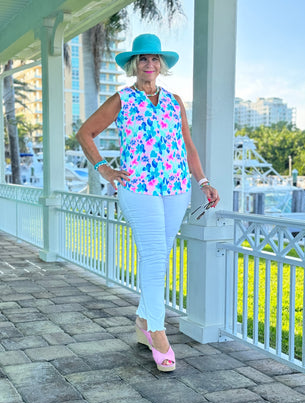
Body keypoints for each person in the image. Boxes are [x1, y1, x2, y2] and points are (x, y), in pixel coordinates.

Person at [76, 33, 220, 372]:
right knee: (155, 256)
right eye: (143, 59)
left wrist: (203, 182)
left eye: (155, 59)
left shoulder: (174, 101)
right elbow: (86, 133)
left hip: (176, 189)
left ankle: (143, 321)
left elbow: (188, 147)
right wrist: (105, 169)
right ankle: (158, 332)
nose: (149, 64)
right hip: (139, 188)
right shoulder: (122, 99)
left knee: (160, 256)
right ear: (134, 65)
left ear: (162, 65)